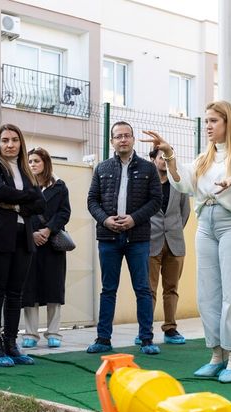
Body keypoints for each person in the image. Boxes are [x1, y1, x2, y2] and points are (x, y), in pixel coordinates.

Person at [141, 101, 231, 382]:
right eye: (207, 121)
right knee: (208, 293)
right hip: (206, 225)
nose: (208, 126)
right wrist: (169, 153)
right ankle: (217, 355)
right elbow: (184, 181)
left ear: (228, 123)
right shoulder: (205, 158)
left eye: (213, 121)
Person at [87, 121, 162, 355]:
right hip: (108, 238)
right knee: (108, 289)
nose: (123, 140)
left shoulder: (148, 169)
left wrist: (134, 219)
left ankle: (147, 339)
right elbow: (92, 200)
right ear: (112, 141)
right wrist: (105, 220)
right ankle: (103, 339)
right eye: (118, 136)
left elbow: (156, 201)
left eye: (127, 136)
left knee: (143, 288)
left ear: (132, 139)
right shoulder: (101, 168)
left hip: (137, 238)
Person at [0, 124, 46, 367]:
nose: (10, 144)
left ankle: (11, 344)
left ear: (21, 143)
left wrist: (14, 204)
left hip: (23, 236)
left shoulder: (26, 170)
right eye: (5, 140)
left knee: (16, 293)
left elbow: (41, 204)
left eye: (15, 140)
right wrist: (25, 200)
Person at [21, 147, 71, 349]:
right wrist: (31, 234)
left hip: (52, 245)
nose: (32, 164)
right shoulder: (23, 186)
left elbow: (64, 213)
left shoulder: (59, 186)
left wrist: (48, 230)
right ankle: (31, 334)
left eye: (36, 161)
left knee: (53, 289)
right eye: (30, 161)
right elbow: (21, 213)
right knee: (29, 290)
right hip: (29, 243)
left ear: (45, 163)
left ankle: (54, 333)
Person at [146, 147, 191, 346]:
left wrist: (174, 230)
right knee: (148, 290)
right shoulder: (146, 183)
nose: (165, 161)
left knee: (171, 288)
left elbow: (185, 212)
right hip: (150, 242)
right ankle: (145, 330)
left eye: (168, 157)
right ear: (153, 159)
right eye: (161, 157)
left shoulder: (178, 182)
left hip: (175, 242)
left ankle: (170, 328)